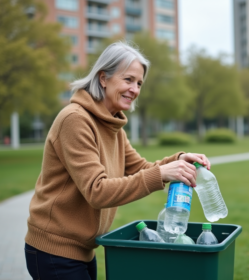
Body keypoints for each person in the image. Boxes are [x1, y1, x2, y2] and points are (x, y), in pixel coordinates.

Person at [24, 42, 211, 280]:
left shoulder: (113, 126)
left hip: (84, 250)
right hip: (53, 250)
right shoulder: (75, 120)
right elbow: (97, 191)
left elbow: (142, 169)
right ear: (103, 78)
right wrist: (163, 173)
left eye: (139, 83)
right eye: (128, 80)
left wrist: (179, 159)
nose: (135, 89)